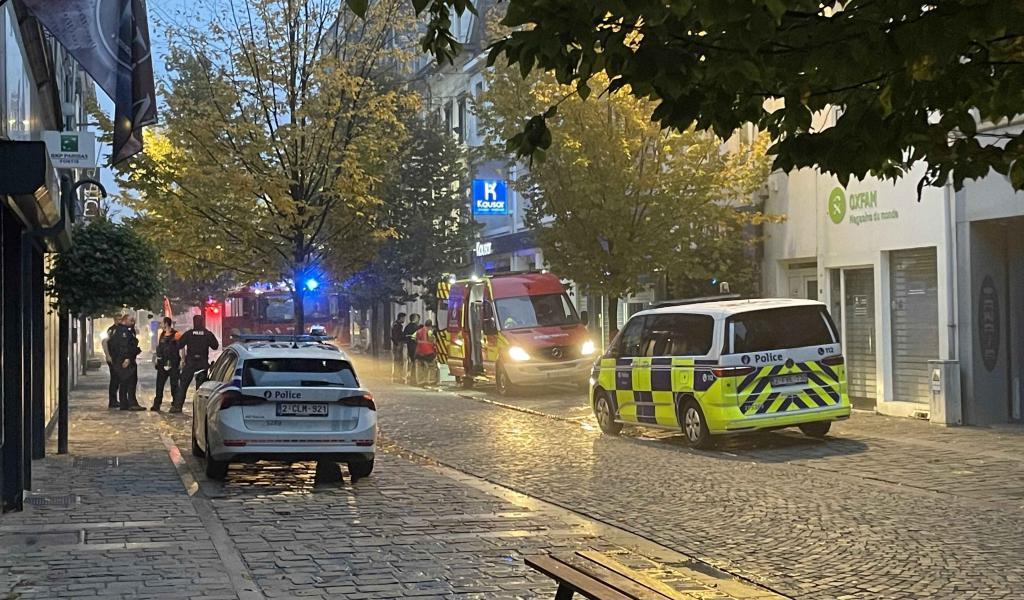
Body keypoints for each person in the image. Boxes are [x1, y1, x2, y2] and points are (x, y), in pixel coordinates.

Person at [173, 314, 219, 414]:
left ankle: (177, 406)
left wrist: (175, 340)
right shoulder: (207, 334)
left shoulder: (189, 334)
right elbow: (215, 346)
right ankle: (201, 411)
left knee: (183, 386)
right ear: (203, 322)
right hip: (202, 365)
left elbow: (179, 345)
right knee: (201, 390)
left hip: (190, 363)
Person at [108, 314, 145, 411]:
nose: (133, 322)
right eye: (131, 320)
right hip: (126, 361)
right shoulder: (123, 331)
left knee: (124, 382)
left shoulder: (124, 330)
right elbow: (124, 346)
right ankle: (131, 403)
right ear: (125, 320)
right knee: (130, 382)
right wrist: (127, 358)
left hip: (122, 360)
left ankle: (124, 404)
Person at [151, 317, 182, 412]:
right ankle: (157, 404)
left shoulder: (176, 334)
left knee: (174, 385)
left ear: (166, 323)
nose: (161, 325)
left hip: (173, 362)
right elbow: (159, 347)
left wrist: (182, 360)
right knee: (159, 384)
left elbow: (182, 347)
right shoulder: (162, 334)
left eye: (162, 323)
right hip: (162, 362)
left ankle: (176, 404)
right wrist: (156, 358)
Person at [102, 315, 123, 409]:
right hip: (113, 359)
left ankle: (115, 400)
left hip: (118, 359)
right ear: (114, 320)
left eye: (121, 319)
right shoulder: (111, 330)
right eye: (118, 319)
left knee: (118, 379)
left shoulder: (121, 329)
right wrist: (107, 355)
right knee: (114, 380)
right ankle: (112, 401)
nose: (120, 321)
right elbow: (104, 342)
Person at [414, 319, 437, 386]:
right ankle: (431, 380)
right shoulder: (430, 332)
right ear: (430, 325)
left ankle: (420, 381)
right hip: (428, 352)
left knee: (419, 366)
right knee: (432, 366)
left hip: (419, 351)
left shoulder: (418, 331)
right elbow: (433, 341)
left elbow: (414, 339)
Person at [402, 314, 421, 384]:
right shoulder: (416, 327)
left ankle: (407, 377)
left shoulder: (407, 327)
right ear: (415, 319)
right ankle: (414, 378)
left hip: (408, 346)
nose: (419, 320)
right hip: (414, 347)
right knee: (415, 362)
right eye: (418, 319)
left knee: (409, 362)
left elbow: (404, 336)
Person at [390, 312, 406, 382]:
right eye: (403, 318)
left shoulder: (395, 324)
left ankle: (397, 376)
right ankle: (398, 376)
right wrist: (398, 342)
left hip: (397, 344)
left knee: (398, 360)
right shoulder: (398, 326)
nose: (404, 320)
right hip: (398, 344)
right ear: (401, 318)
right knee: (399, 360)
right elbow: (396, 336)